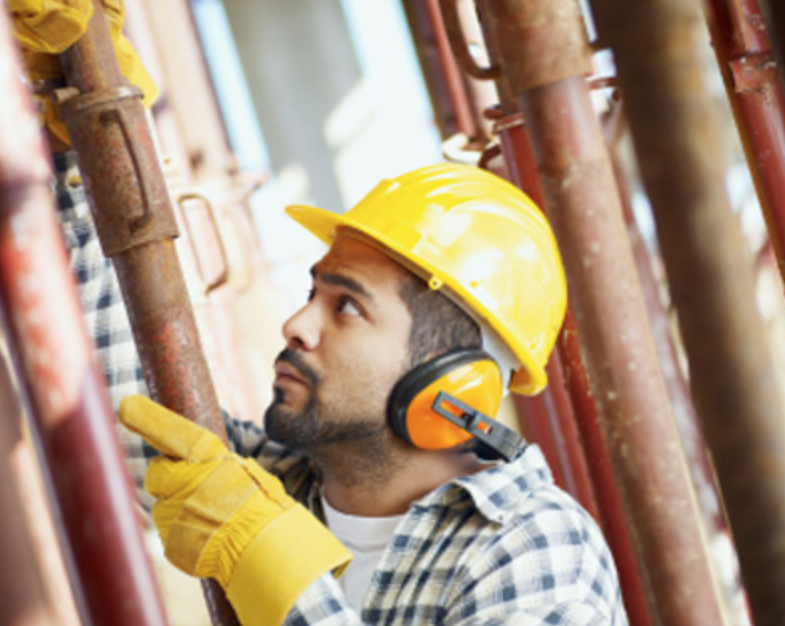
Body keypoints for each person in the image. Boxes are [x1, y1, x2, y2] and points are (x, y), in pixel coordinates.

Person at [15, 5, 626, 624]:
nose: (296, 324)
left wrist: (276, 573)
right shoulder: (276, 486)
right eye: (314, 294)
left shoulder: (535, 546)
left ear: (454, 385)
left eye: (348, 306)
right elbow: (130, 419)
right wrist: (79, 138)